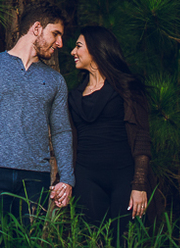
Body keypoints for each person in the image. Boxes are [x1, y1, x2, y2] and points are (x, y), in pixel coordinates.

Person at [0, 3, 75, 238]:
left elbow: (61, 132)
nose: (60, 43)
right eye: (56, 34)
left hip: (35, 178)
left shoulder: (55, 81)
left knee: (26, 243)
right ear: (37, 28)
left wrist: (67, 178)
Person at [68, 26, 154, 245]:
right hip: (86, 177)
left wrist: (140, 185)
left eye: (78, 46)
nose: (72, 52)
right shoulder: (73, 96)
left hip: (124, 177)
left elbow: (142, 138)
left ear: (96, 50)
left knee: (124, 241)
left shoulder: (127, 89)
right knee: (91, 240)